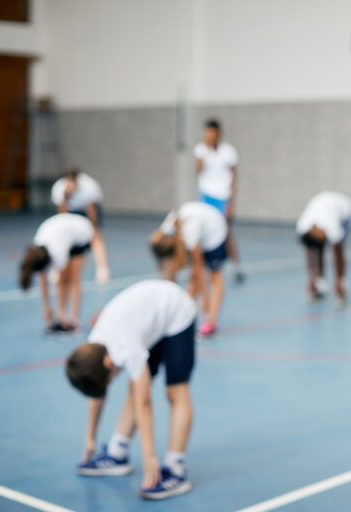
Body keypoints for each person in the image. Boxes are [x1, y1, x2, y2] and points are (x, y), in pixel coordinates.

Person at [66, 279, 196, 500]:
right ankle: (118, 452)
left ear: (109, 363)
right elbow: (97, 394)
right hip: (149, 320)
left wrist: (149, 457)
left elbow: (144, 403)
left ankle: (176, 468)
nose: (110, 382)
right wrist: (90, 439)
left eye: (108, 381)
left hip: (176, 311)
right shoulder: (94, 348)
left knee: (175, 391)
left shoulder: (126, 348)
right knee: (134, 386)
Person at [150, 201, 228, 337]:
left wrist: (204, 297)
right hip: (196, 230)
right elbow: (170, 272)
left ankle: (210, 322)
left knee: (215, 276)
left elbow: (198, 267)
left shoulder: (190, 233)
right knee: (191, 279)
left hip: (214, 231)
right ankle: (184, 315)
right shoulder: (164, 234)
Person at [20, 213, 93, 333]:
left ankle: (74, 320)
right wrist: (47, 307)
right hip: (64, 231)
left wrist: (60, 316)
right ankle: (63, 316)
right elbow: (42, 278)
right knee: (66, 279)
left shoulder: (58, 251)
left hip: (81, 232)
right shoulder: (37, 249)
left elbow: (62, 282)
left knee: (73, 277)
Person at [194, 119, 244, 283]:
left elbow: (233, 177)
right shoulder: (201, 149)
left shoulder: (228, 151)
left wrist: (231, 204)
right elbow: (198, 171)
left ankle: (236, 267)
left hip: (222, 197)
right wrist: (204, 153)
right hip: (206, 196)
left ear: (218, 134)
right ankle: (206, 267)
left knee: (226, 232)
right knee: (204, 233)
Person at [51, 168, 110, 284]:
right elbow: (62, 215)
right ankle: (57, 270)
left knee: (95, 236)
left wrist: (92, 229)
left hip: (87, 210)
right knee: (63, 238)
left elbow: (91, 212)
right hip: (71, 210)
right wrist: (65, 196)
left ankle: (102, 269)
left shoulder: (89, 187)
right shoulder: (58, 189)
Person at [296, 191, 351, 302]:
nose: (324, 241)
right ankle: (320, 282)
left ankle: (341, 282)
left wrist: (339, 281)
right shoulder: (302, 227)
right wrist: (312, 279)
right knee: (317, 249)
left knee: (339, 246)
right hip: (322, 201)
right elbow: (310, 253)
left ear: (314, 227)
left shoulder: (331, 225)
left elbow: (338, 253)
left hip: (345, 211)